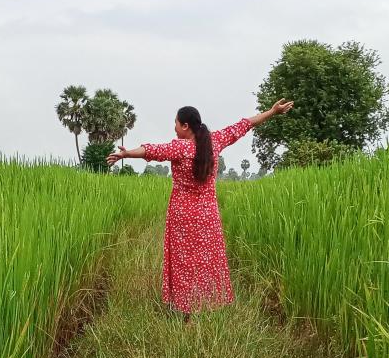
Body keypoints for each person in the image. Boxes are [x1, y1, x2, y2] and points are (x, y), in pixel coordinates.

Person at [107, 99, 294, 319]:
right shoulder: (216, 141)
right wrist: (272, 112)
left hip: (182, 216)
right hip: (208, 217)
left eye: (176, 124)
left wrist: (126, 154)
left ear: (186, 126)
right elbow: (244, 125)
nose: (174, 128)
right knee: (206, 260)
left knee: (184, 262)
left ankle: (187, 313)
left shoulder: (180, 147)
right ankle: (206, 304)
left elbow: (152, 150)